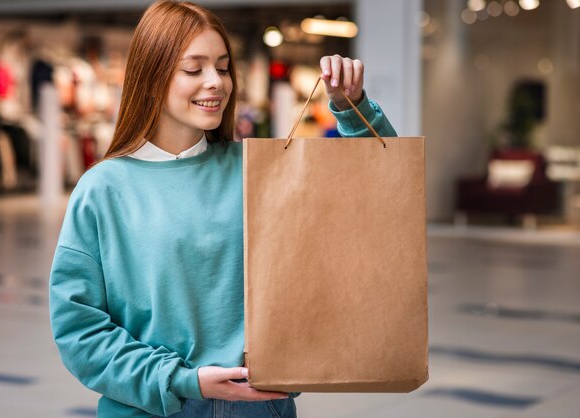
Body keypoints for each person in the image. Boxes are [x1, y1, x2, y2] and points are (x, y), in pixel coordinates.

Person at [48, 1, 397, 417]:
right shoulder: (103, 190)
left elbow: (379, 188)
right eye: (193, 70)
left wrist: (351, 106)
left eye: (223, 66)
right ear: (152, 79)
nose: (215, 82)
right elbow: (79, 331)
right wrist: (180, 381)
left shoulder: (256, 168)